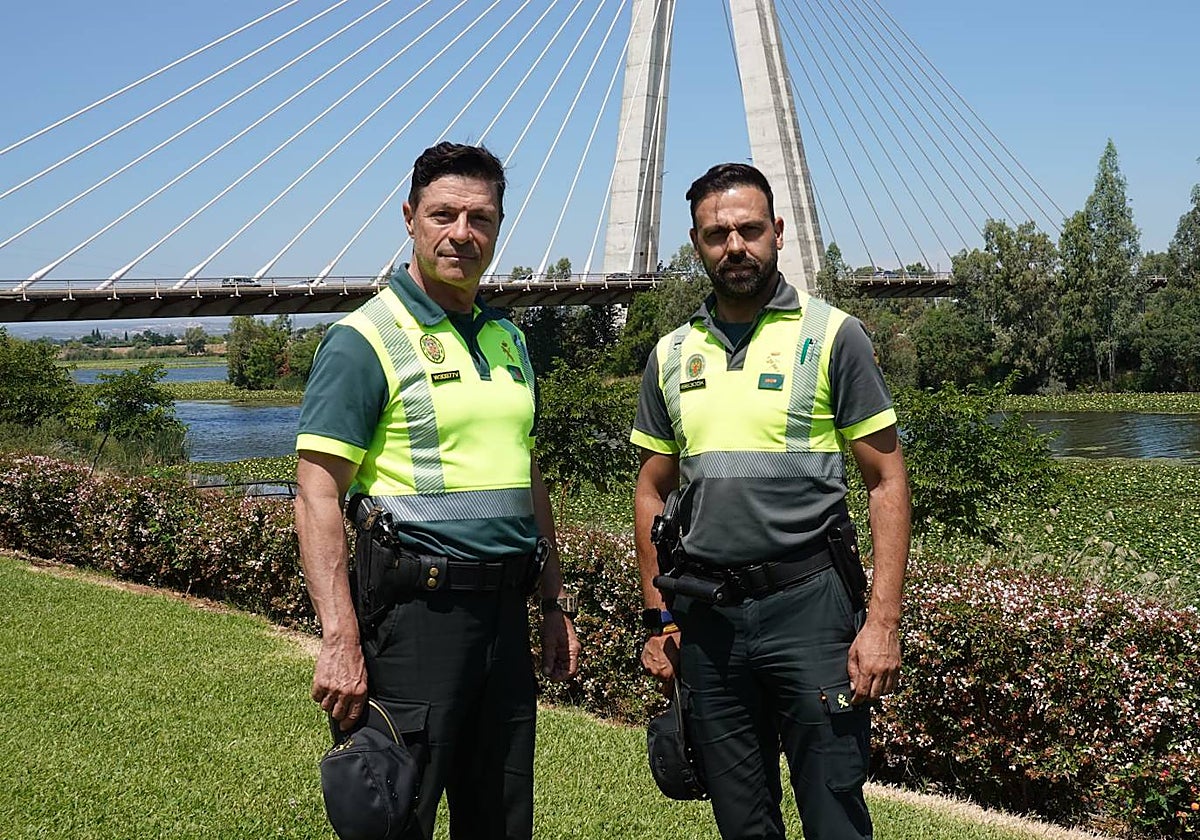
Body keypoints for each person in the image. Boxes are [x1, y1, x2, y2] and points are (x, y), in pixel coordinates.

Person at [294, 142, 580, 840]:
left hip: (504, 621)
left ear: (499, 227)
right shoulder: (365, 339)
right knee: (397, 817)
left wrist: (553, 600)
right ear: (410, 219)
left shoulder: (509, 339)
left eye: (480, 218)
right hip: (414, 620)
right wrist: (338, 638)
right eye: (444, 214)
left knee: (503, 820)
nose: (462, 233)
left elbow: (526, 475)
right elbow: (315, 494)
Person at [632, 163, 910, 840]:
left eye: (749, 229)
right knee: (741, 820)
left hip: (810, 607)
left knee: (834, 810)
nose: (735, 246)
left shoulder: (833, 336)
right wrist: (658, 618)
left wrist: (883, 623)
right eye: (716, 233)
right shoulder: (670, 355)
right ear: (696, 244)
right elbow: (649, 490)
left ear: (778, 233)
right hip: (710, 622)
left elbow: (887, 480)